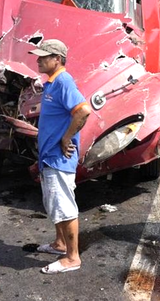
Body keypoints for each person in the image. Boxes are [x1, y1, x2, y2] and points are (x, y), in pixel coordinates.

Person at [29, 39, 92, 274]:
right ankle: (60, 244)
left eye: (44, 56)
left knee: (64, 206)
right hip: (48, 157)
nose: (38, 60)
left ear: (57, 59)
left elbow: (83, 111)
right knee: (54, 203)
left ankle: (72, 257)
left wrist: (66, 138)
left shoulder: (63, 81)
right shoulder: (51, 83)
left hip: (58, 158)